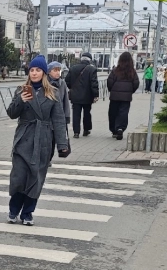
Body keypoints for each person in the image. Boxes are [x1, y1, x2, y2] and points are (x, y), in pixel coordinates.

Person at [6, 56, 70, 226]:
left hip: (43, 140)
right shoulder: (22, 90)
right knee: (19, 177)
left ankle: (27, 213)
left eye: (38, 70)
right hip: (23, 139)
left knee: (36, 178)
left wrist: (62, 145)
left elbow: (59, 120)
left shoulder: (53, 92)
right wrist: (21, 100)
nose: (34, 73)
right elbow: (12, 113)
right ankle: (13, 210)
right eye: (32, 70)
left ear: (44, 73)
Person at [106, 51, 140, 141]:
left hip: (114, 96)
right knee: (123, 113)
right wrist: (130, 91)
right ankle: (120, 128)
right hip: (126, 97)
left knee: (113, 113)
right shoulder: (132, 72)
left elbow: (109, 82)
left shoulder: (115, 70)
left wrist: (112, 90)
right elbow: (136, 83)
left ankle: (114, 130)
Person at [65, 53, 99, 138]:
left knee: (76, 114)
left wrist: (73, 88)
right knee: (87, 113)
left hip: (75, 95)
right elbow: (94, 83)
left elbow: (67, 81)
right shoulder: (92, 69)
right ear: (89, 60)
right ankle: (86, 130)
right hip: (87, 96)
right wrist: (95, 95)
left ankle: (76, 132)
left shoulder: (73, 68)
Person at [47, 61, 71, 130]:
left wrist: (66, 116)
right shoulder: (45, 83)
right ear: (49, 72)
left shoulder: (62, 83)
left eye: (59, 70)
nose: (58, 72)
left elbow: (65, 101)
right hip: (47, 118)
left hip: (60, 117)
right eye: (55, 70)